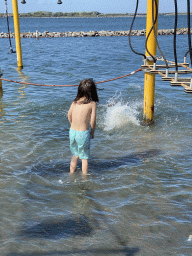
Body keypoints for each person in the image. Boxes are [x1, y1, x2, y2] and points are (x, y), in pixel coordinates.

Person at [67, 79, 99, 175]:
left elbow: (69, 115)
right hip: (83, 134)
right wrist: (92, 132)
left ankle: (71, 173)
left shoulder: (75, 102)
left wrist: (72, 123)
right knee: (84, 158)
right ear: (92, 91)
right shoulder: (92, 104)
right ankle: (85, 178)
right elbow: (92, 121)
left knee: (75, 154)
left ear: (79, 90)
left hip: (72, 132)